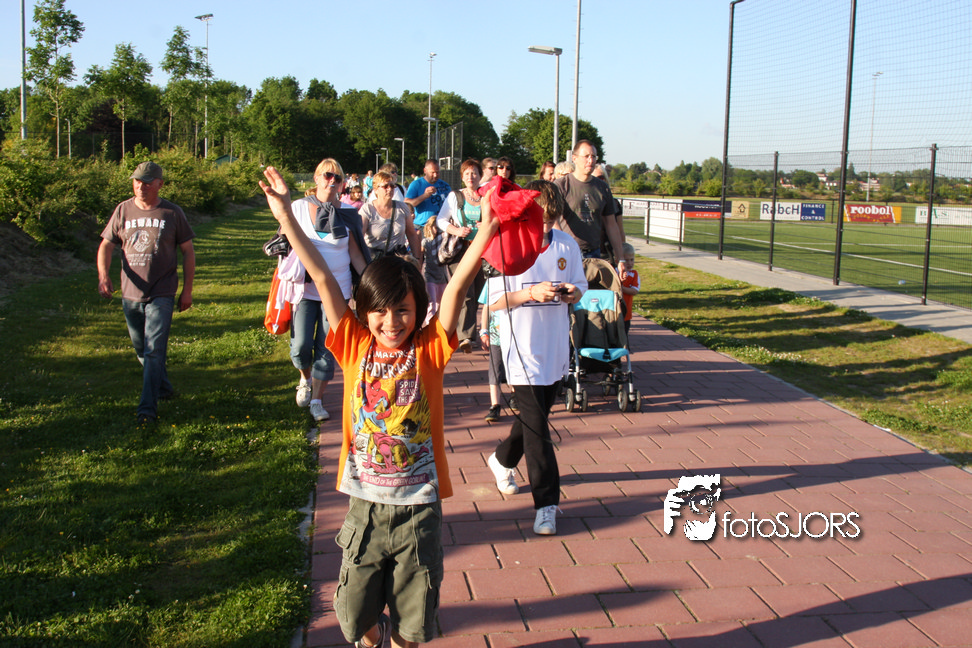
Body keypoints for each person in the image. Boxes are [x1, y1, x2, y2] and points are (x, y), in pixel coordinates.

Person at [259, 165, 499, 648]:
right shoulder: (353, 343)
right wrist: (286, 217)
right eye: (381, 311)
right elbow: (323, 276)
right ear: (364, 310)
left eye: (404, 310)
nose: (392, 322)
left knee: (415, 623)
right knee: (353, 619)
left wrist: (487, 230)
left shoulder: (430, 349)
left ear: (419, 311)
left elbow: (455, 288)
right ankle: (375, 637)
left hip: (418, 510)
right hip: (364, 508)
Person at [485, 179, 587, 536]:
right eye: (540, 219)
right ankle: (547, 504)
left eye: (551, 220)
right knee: (539, 431)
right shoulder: (509, 245)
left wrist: (572, 294)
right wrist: (529, 294)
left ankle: (501, 459)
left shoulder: (566, 245)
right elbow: (493, 301)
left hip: (555, 348)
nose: (545, 227)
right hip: (522, 350)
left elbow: (580, 285)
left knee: (534, 421)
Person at [97, 161, 195, 426]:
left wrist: (186, 290)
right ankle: (163, 387)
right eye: (137, 181)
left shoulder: (172, 212)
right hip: (130, 292)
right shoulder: (123, 210)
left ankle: (147, 410)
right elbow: (106, 245)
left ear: (159, 184)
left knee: (153, 351)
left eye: (148, 182)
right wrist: (103, 276)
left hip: (162, 290)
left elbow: (188, 251)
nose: (141, 186)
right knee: (142, 349)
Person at [280, 158, 368, 423]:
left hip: (338, 291)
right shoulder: (297, 208)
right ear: (316, 178)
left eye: (337, 178)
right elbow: (283, 243)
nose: (332, 181)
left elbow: (356, 255)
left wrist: (371, 282)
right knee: (300, 346)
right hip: (305, 289)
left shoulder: (349, 213)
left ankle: (317, 400)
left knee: (327, 347)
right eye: (328, 175)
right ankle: (305, 378)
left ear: (342, 184)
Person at [436, 158, 486, 353]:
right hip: (461, 249)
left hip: (482, 249)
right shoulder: (455, 197)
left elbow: (498, 218)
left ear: (480, 175)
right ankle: (466, 336)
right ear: (462, 177)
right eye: (467, 173)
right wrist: (456, 230)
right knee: (466, 292)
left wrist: (487, 223)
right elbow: (441, 220)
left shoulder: (487, 196)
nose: (470, 177)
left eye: (474, 173)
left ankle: (467, 331)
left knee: (480, 291)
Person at [553, 140, 624, 263]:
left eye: (593, 156)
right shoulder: (561, 185)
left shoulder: (603, 187)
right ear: (574, 158)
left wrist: (621, 258)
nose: (590, 161)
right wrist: (563, 248)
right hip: (567, 252)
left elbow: (611, 225)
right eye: (586, 156)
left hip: (594, 253)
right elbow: (554, 221)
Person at [360, 171, 420, 261]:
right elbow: (359, 237)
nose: (390, 189)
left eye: (392, 186)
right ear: (375, 189)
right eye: (385, 186)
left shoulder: (402, 207)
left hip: (399, 259)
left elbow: (412, 234)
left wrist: (417, 259)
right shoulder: (367, 209)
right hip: (376, 261)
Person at [405, 159, 452, 228]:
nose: (435, 175)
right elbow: (406, 204)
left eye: (437, 172)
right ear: (425, 171)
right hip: (422, 226)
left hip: (441, 225)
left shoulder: (445, 185)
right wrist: (425, 196)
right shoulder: (416, 184)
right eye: (432, 172)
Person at [421, 218, 449, 326]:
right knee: (431, 304)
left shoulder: (443, 241)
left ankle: (440, 325)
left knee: (442, 304)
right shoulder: (425, 242)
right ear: (429, 227)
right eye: (435, 227)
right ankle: (429, 325)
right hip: (430, 276)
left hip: (442, 277)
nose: (437, 230)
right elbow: (420, 256)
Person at [618, 242, 640, 337]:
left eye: (632, 260)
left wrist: (621, 288)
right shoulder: (615, 272)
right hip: (614, 311)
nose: (630, 263)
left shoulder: (634, 274)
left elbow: (634, 291)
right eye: (626, 260)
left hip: (627, 312)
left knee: (624, 333)